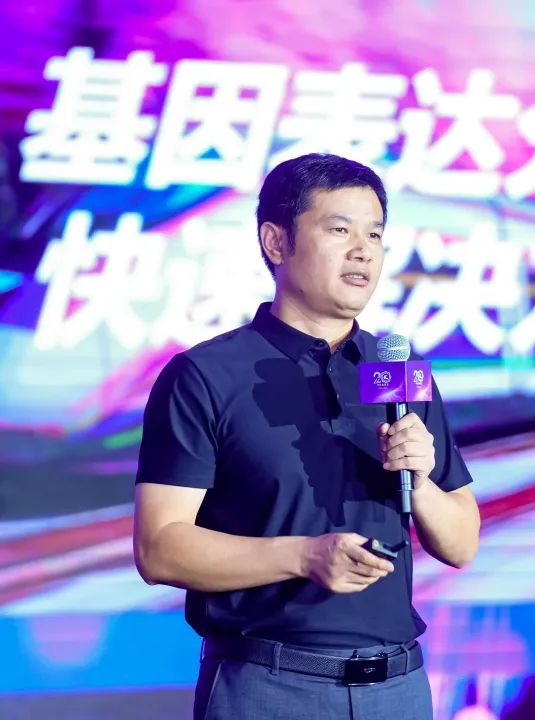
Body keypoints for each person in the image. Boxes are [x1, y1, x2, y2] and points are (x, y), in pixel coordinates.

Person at [133, 153, 480, 720]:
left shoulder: (398, 371)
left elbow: (461, 544)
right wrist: (306, 556)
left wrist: (419, 482)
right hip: (269, 685)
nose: (363, 250)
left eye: (375, 234)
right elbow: (158, 548)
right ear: (276, 242)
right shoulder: (206, 375)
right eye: (340, 230)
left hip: (399, 688)